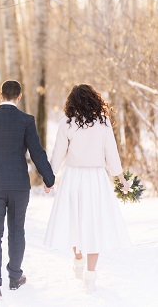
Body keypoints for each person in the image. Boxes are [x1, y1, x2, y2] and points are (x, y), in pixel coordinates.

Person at [0, 80, 55, 300]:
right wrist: (49, 177)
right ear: (20, 96)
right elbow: (37, 152)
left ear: (0, 95)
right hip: (18, 185)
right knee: (17, 230)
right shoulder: (26, 121)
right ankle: (15, 276)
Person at [44, 84, 131, 293]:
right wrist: (121, 179)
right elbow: (112, 154)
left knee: (74, 220)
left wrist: (50, 178)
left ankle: (78, 260)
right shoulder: (103, 122)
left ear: (72, 101)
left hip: (73, 176)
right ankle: (90, 276)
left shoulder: (67, 123)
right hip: (96, 179)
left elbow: (58, 153)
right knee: (93, 226)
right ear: (94, 99)